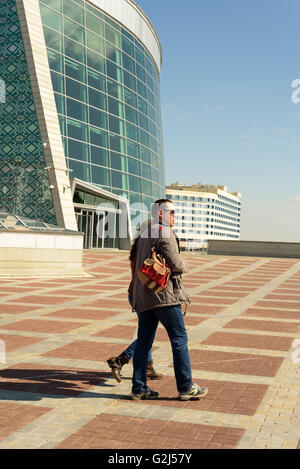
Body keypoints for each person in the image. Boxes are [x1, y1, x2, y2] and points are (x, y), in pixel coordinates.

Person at [130, 199, 209, 401]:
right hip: (163, 295)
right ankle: (185, 387)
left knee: (144, 343)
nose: (175, 215)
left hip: (144, 295)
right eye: (171, 212)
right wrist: (187, 265)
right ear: (159, 214)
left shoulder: (143, 233)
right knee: (179, 339)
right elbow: (176, 264)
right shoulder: (165, 232)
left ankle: (139, 388)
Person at [106, 225, 163, 383]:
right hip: (143, 296)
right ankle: (120, 360)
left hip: (135, 294)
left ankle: (148, 367)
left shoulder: (137, 248)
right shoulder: (145, 251)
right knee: (147, 334)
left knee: (148, 331)